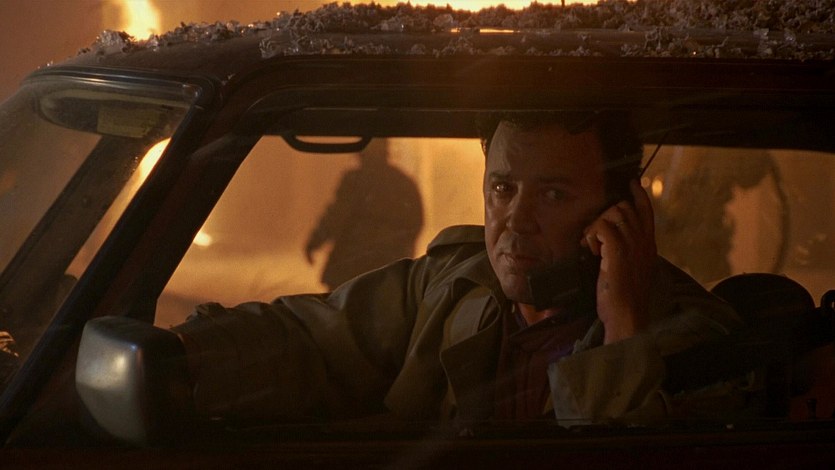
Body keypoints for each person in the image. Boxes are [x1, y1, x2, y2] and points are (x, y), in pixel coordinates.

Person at [171, 112, 743, 426]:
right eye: (503, 188)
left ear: (620, 211)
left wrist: (623, 328)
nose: (515, 222)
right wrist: (176, 357)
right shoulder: (452, 286)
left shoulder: (694, 337)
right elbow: (313, 338)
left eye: (553, 195)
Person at [304, 139, 424, 290]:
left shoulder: (354, 181)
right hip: (390, 272)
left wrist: (314, 242)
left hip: (350, 270)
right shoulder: (403, 183)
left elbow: (336, 216)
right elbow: (415, 224)